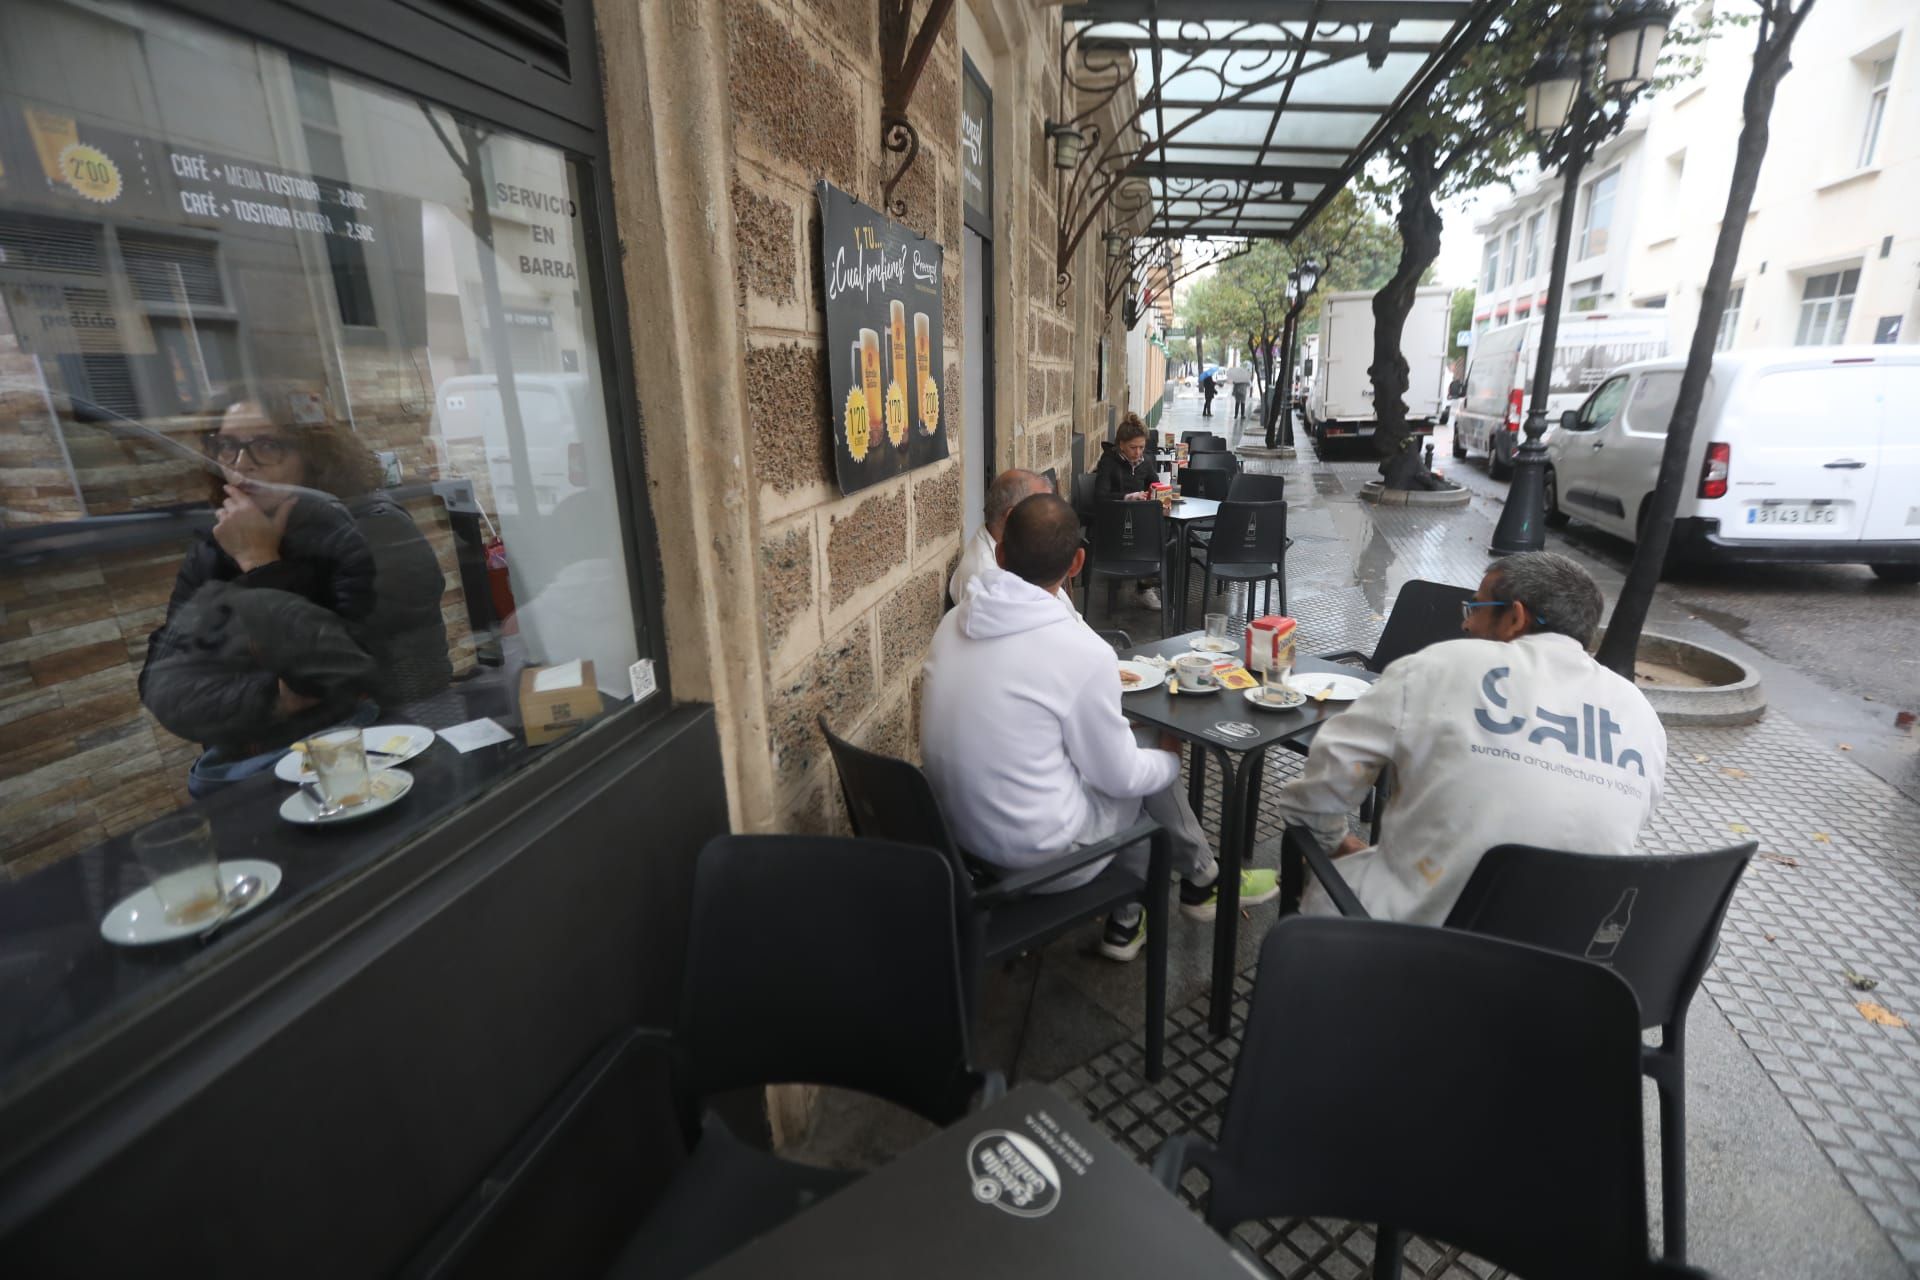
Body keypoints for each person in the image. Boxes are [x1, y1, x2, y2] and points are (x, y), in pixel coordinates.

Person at [921, 493, 1278, 961]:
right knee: (1145, 760)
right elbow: (1122, 778)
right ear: (1078, 564)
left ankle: (1138, 914)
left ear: (1001, 552)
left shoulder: (951, 625)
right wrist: (1171, 755)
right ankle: (1197, 882)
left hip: (955, 842)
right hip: (1039, 861)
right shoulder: (1080, 654)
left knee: (1110, 761)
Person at [1273, 552, 1667, 925]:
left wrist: (1334, 841)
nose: (1465, 624)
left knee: (1322, 871)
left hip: (1408, 942)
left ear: (1515, 618)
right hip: (1560, 958)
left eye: (1475, 609)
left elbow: (1319, 791)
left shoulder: (1441, 665)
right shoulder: (1640, 713)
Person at [141, 385, 452, 795]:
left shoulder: (374, 527)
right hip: (254, 770)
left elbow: (328, 678)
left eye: (267, 445)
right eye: (226, 446)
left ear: (313, 455)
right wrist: (273, 697)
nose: (241, 464)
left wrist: (260, 564)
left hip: (376, 761)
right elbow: (165, 686)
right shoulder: (216, 547)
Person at [950, 468, 1070, 609]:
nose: (1052, 519)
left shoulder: (1023, 548)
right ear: (1012, 517)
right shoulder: (986, 581)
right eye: (1043, 510)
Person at [1091, 414, 1161, 611]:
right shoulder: (1109, 462)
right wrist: (1129, 497)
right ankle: (1141, 583)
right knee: (1150, 535)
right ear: (1121, 444)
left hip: (1139, 521)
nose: (1138, 452)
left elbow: (1155, 485)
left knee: (1163, 533)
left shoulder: (1145, 463)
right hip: (1114, 522)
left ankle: (1145, 585)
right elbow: (1100, 497)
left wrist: (1161, 493)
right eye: (1133, 447)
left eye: (1142, 447)